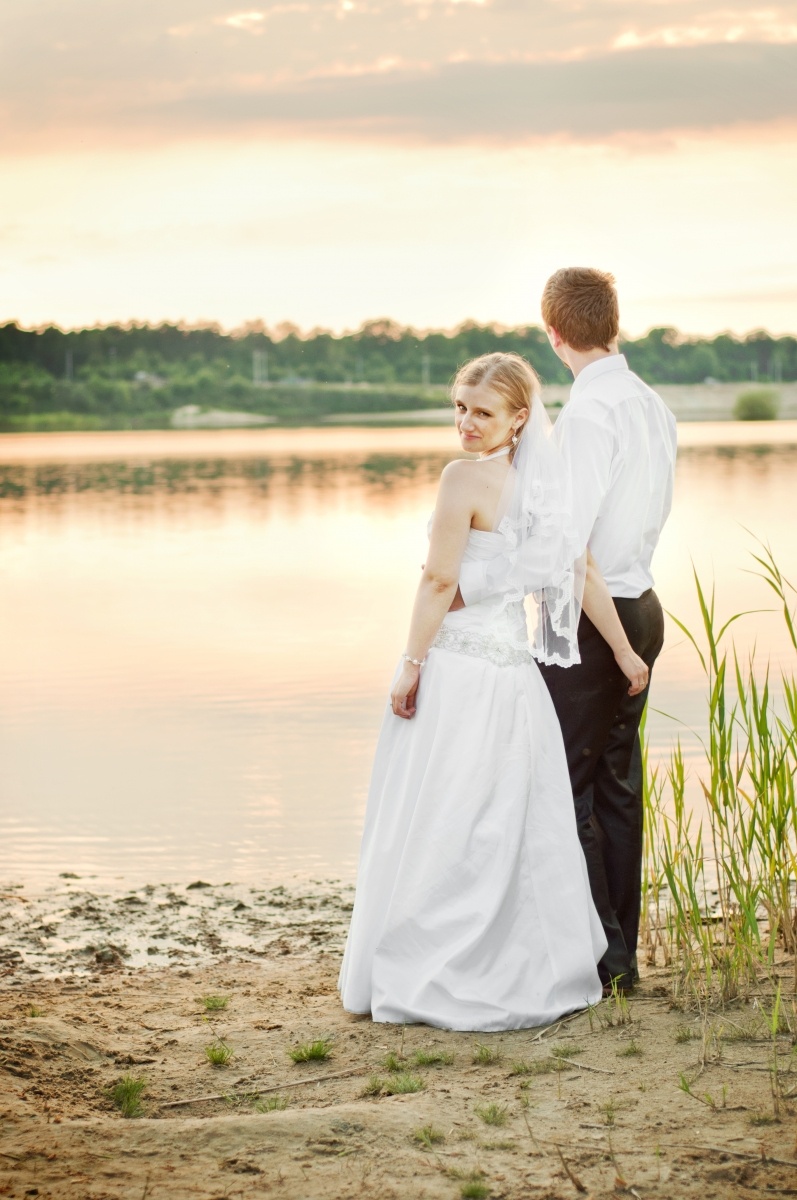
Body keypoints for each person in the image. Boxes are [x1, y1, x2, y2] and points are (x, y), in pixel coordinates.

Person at [338, 352, 649, 1031]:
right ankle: (521, 964)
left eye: (482, 412)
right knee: (506, 823)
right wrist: (624, 652)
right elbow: (581, 571)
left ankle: (443, 966)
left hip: (459, 675)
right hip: (515, 684)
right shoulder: (549, 487)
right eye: (458, 408)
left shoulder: (462, 481)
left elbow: (437, 583)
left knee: (445, 819)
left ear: (517, 420)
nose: (465, 423)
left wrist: (408, 664)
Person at [459, 270, 678, 993]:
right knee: (615, 785)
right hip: (641, 602)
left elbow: (567, 543)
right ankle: (618, 958)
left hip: (597, 620)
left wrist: (488, 583)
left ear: (552, 334)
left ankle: (601, 959)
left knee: (571, 786)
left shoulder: (587, 413)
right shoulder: (649, 403)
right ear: (612, 323)